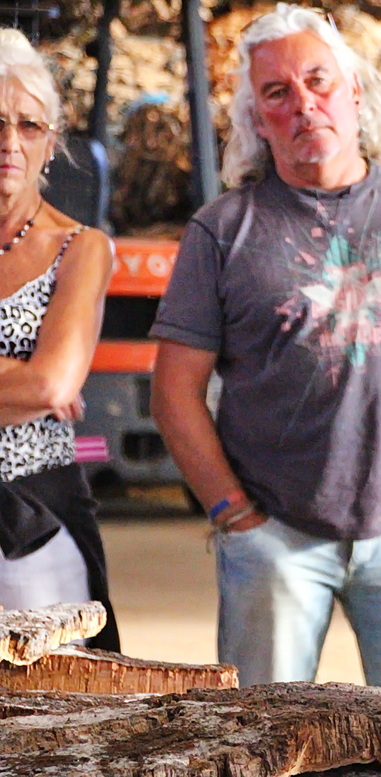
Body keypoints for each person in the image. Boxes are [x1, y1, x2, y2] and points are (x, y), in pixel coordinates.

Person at [149, 3, 381, 686]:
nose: (304, 104)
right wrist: (233, 513)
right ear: (257, 121)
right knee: (261, 738)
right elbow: (174, 392)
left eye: (319, 81)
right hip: (275, 538)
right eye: (277, 93)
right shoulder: (221, 230)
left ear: (354, 90)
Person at [0, 28, 120, 649]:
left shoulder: (81, 247)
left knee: (51, 718)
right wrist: (15, 381)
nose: (8, 143)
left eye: (28, 126)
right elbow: (34, 384)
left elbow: (52, 381)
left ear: (51, 144)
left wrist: (40, 384)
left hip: (32, 525)